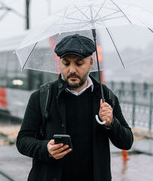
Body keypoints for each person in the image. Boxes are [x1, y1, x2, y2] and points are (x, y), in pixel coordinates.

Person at [16, 34, 134, 181]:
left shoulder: (106, 97)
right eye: (66, 64)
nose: (72, 70)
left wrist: (111, 123)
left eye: (79, 64)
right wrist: (45, 148)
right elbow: (22, 141)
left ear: (91, 63)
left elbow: (127, 142)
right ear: (60, 63)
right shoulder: (42, 96)